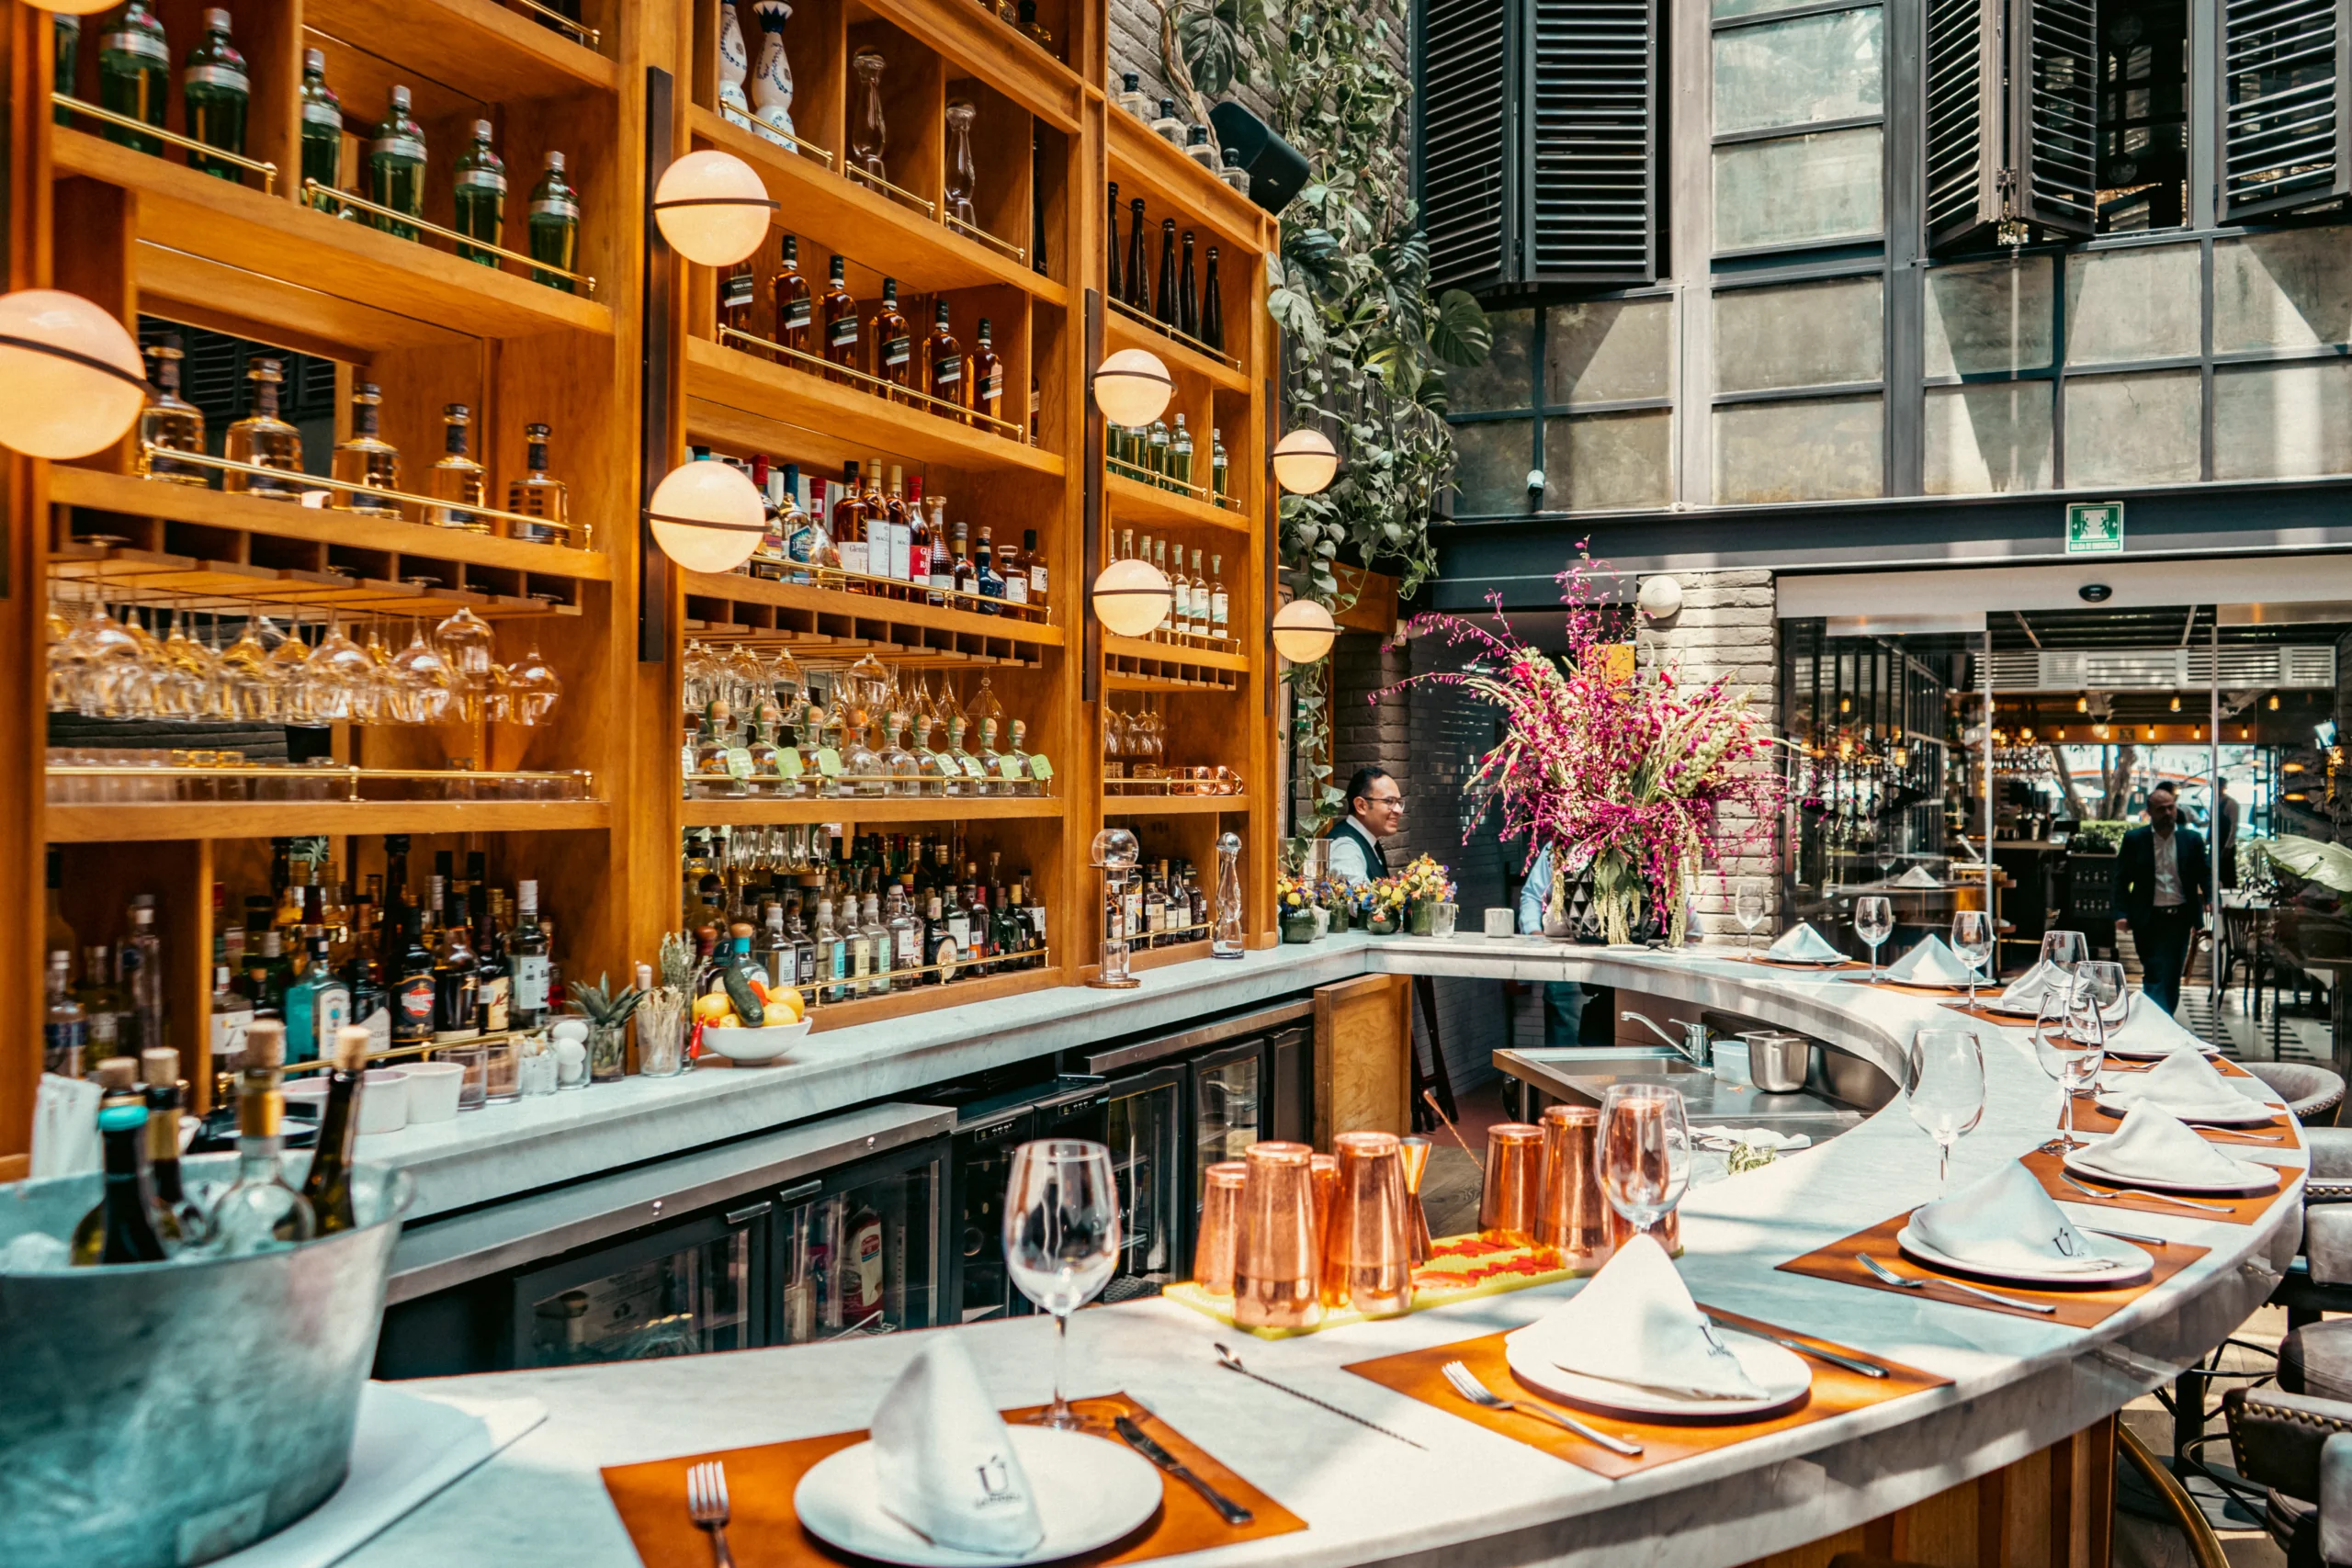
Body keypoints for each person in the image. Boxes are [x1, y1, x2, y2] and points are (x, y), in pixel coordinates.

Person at [2112, 781, 2211, 1015]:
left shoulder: (2191, 840)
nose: (2168, 813)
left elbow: (2203, 872)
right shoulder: (2135, 840)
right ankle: (2158, 1019)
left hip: (2180, 917)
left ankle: (2161, 1018)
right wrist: (2121, 913)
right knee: (2154, 970)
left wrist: (2210, 898)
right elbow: (2120, 879)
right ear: (2150, 812)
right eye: (2162, 809)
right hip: (2148, 917)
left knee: (2172, 973)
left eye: (2171, 807)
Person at [1517, 844, 1589, 1045]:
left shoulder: (1627, 838)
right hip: (1563, 959)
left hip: (1611, 965)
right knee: (1562, 1046)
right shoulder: (1559, 845)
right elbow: (1532, 895)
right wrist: (1535, 934)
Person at [1325, 766, 1400, 885]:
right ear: (1360, 806)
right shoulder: (1345, 849)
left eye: (1399, 802)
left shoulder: (1369, 839)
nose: (1398, 810)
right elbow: (1358, 901)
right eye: (1389, 801)